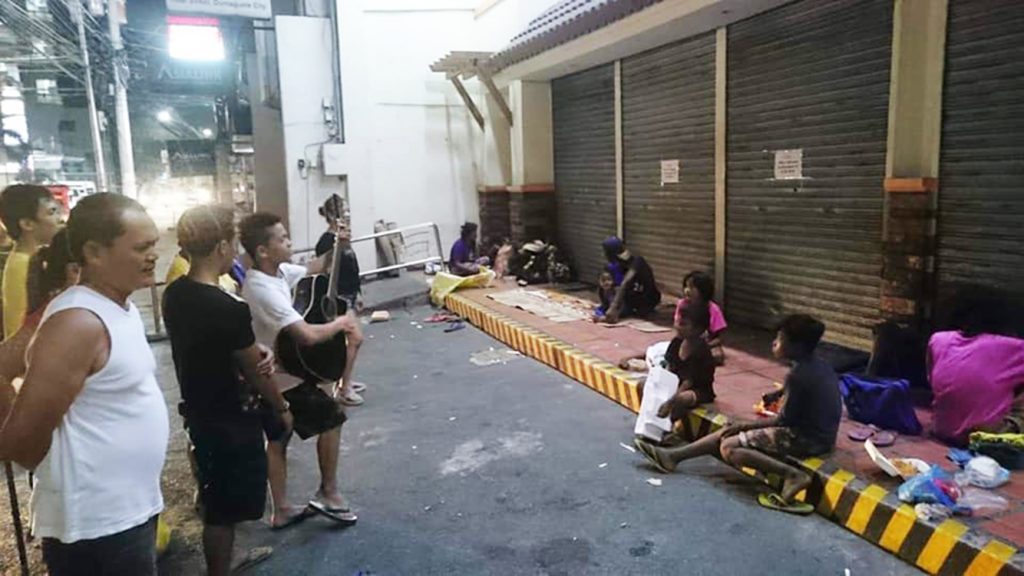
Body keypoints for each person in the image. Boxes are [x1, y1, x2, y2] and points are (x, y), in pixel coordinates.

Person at [0, 193, 168, 575]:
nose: (153, 255)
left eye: (153, 245)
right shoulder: (78, 322)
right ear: (94, 252)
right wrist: (58, 466)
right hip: (97, 528)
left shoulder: (116, 308)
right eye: (141, 247)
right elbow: (19, 442)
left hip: (126, 513)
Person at [163, 206, 292, 576]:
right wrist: (280, 405)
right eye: (233, 245)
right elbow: (255, 370)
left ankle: (225, 561)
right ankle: (220, 568)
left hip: (199, 410)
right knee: (225, 509)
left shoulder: (176, 294)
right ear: (220, 246)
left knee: (217, 500)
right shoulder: (224, 306)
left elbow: (220, 348)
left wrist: (254, 351)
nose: (236, 252)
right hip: (230, 418)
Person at [635, 314, 841, 515]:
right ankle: (672, 457)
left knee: (729, 447)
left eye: (780, 339)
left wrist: (743, 425)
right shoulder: (818, 365)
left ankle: (793, 475)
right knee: (728, 431)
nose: (774, 343)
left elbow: (783, 420)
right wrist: (778, 393)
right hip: (821, 433)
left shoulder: (798, 376)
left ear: (797, 346)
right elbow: (800, 393)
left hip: (807, 438)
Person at [239, 212, 359, 528]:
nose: (289, 241)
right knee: (332, 419)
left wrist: (339, 243)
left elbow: (318, 267)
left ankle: (281, 511)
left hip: (278, 373)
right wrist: (340, 324)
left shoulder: (279, 273)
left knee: (279, 439)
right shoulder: (261, 288)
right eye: (281, 238)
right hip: (280, 379)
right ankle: (328, 492)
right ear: (263, 250)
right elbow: (305, 335)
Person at [929, 288, 1024, 446]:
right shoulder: (1012, 348)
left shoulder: (938, 340)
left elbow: (932, 379)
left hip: (942, 431)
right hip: (985, 439)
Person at [314, 197, 367, 405]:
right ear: (333, 215)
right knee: (354, 340)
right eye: (343, 211)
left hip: (350, 294)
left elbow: (352, 266)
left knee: (351, 341)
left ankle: (346, 380)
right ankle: (344, 387)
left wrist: (359, 292)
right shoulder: (327, 241)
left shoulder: (343, 238)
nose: (347, 215)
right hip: (339, 297)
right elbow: (326, 271)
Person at [0, 184, 62, 340]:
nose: (59, 219)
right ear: (27, 224)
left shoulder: (37, 256)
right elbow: (17, 328)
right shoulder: (20, 266)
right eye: (51, 212)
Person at [657, 302, 717, 426]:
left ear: (698, 329)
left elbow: (688, 382)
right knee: (645, 384)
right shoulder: (676, 342)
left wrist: (670, 401)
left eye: (683, 324)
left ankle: (670, 427)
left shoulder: (700, 350)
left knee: (680, 399)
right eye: (678, 322)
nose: (677, 326)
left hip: (697, 389)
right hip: (677, 383)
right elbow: (668, 366)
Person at [599, 236, 660, 324]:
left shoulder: (637, 262)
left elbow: (625, 283)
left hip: (646, 299)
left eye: (605, 252)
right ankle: (613, 311)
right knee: (607, 285)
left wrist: (614, 307)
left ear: (610, 254)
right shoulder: (616, 264)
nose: (604, 255)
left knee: (619, 290)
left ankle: (616, 313)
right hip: (631, 297)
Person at [674, 271, 728, 363]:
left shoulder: (713, 309)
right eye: (686, 286)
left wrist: (707, 345)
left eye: (691, 287)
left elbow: (718, 337)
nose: (687, 290)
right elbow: (677, 326)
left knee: (717, 355)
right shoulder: (682, 304)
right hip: (685, 340)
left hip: (706, 344)